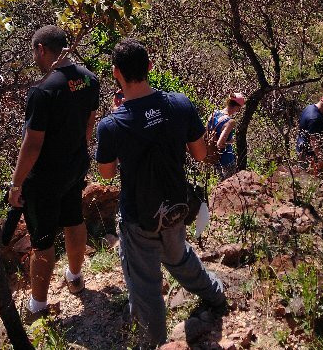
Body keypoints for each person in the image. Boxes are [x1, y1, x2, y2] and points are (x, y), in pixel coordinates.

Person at [96, 39, 226, 347]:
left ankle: (154, 342)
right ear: (150, 67)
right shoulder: (179, 104)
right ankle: (215, 295)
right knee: (178, 256)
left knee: (145, 285)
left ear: (116, 74)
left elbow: (107, 173)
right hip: (176, 205)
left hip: (138, 216)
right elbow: (198, 153)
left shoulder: (111, 125)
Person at [8, 25, 100, 317]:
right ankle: (74, 277)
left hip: (44, 177)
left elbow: (33, 143)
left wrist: (16, 183)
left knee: (42, 241)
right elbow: (89, 122)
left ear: (41, 49)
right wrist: (77, 153)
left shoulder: (42, 90)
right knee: (73, 219)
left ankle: (37, 305)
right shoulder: (89, 80)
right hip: (74, 166)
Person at [206, 92, 245, 180]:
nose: (238, 111)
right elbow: (220, 144)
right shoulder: (230, 121)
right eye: (239, 109)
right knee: (230, 186)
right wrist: (230, 141)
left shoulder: (213, 114)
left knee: (218, 183)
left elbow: (206, 133)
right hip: (226, 158)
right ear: (237, 107)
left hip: (213, 157)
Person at [295, 94, 323, 174]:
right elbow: (313, 140)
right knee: (307, 177)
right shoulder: (314, 118)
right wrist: (320, 157)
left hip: (301, 146)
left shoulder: (309, 107)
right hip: (308, 153)